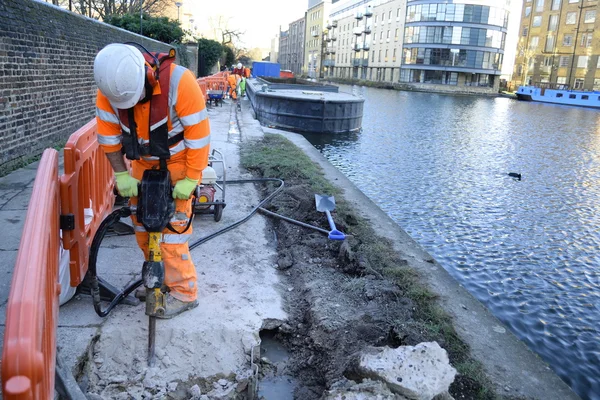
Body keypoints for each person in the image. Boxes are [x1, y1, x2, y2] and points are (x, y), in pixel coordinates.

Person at [93, 43, 210, 318]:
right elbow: (109, 140)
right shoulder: (110, 91)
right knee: (144, 229)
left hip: (179, 164)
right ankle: (159, 280)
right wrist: (121, 173)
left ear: (148, 76)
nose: (132, 106)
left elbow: (199, 137)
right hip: (143, 165)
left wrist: (192, 178)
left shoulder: (180, 83)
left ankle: (184, 292)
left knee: (171, 235)